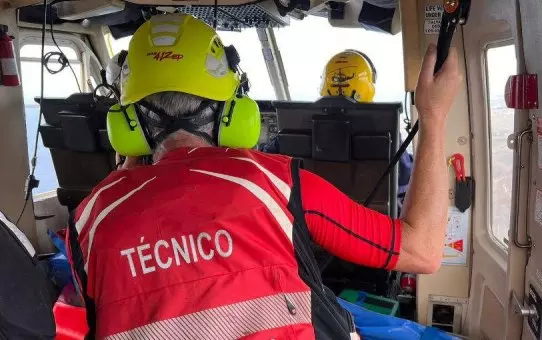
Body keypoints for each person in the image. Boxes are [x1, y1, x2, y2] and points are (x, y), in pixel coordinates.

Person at [67, 13, 461, 340]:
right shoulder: (278, 184)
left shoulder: (88, 221)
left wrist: (126, 171)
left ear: (128, 123)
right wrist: (434, 115)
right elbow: (423, 250)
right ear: (232, 111)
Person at [260, 49, 414, 210]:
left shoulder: (292, 126)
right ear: (367, 87)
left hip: (305, 228)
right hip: (368, 228)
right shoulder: (386, 132)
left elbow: (264, 164)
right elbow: (405, 180)